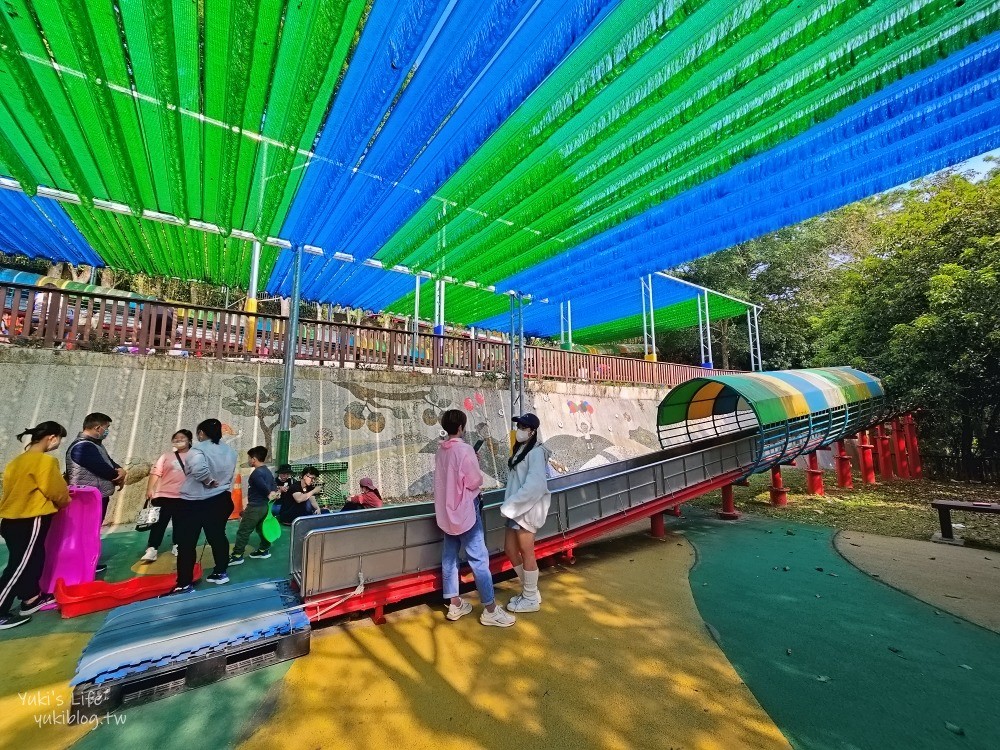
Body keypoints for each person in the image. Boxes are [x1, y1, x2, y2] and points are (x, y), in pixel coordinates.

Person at [435, 409, 514, 628]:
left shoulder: (440, 451)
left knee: (449, 558)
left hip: (445, 512)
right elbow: (473, 481)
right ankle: (490, 609)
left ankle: (455, 603)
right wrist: (474, 464)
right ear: (461, 427)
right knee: (479, 559)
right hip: (465, 511)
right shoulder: (465, 450)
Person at [0, 422, 70, 630]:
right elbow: (56, 491)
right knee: (18, 566)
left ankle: (31, 598)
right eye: (59, 439)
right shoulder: (45, 462)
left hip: (10, 519)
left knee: (32, 558)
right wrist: (66, 501)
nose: (57, 444)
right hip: (30, 518)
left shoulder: (16, 462)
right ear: (51, 437)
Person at [168, 419, 237, 594]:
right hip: (221, 500)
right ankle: (221, 572)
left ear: (200, 433)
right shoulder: (230, 451)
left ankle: (184, 583)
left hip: (195, 502)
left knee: (187, 543)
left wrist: (208, 481)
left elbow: (199, 470)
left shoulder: (197, 450)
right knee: (217, 537)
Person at [500, 414, 551, 613]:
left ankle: (530, 597)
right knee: (510, 549)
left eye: (523, 426)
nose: (519, 429)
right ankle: (530, 590)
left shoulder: (536, 453)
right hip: (514, 508)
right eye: (518, 425)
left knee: (526, 551)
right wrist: (511, 506)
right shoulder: (521, 449)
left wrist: (512, 505)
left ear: (532, 431)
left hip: (526, 509)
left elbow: (536, 485)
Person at [65, 412, 125, 574]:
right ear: (98, 428)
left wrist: (119, 469)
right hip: (87, 498)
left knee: (91, 531)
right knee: (86, 532)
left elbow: (109, 462)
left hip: (96, 496)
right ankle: (82, 564)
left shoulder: (95, 444)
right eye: (107, 428)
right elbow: (104, 469)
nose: (107, 431)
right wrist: (118, 475)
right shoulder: (83, 447)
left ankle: (87, 561)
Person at [139, 430, 192, 562]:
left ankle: (178, 545)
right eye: (176, 438)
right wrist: (150, 489)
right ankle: (152, 549)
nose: (178, 440)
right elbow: (156, 472)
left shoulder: (195, 456)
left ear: (190, 441)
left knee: (181, 523)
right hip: (163, 495)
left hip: (184, 496)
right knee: (158, 524)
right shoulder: (166, 456)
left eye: (182, 438)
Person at [229, 446, 278, 564]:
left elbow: (264, 488)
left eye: (249, 458)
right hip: (265, 507)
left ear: (254, 459)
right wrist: (271, 494)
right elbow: (273, 487)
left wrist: (268, 493)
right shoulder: (267, 471)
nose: (249, 460)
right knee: (261, 529)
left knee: (243, 531)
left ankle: (237, 555)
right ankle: (263, 550)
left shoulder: (256, 473)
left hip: (255, 507)